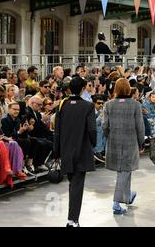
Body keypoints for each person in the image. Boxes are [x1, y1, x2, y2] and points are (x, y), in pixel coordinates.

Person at [54, 77, 97, 227]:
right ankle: (72, 220)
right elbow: (92, 129)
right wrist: (93, 143)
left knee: (73, 184)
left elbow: (57, 131)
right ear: (83, 88)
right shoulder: (88, 106)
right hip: (82, 149)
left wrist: (56, 151)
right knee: (76, 186)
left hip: (66, 150)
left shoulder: (62, 105)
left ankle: (72, 219)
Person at [103, 78, 144, 214]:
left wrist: (109, 135)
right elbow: (140, 126)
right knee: (125, 171)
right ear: (128, 89)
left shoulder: (108, 105)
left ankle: (127, 196)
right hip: (130, 142)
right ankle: (116, 202)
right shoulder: (135, 105)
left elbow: (104, 126)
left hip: (114, 142)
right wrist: (141, 142)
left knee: (124, 171)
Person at [0, 104, 26, 187]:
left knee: (13, 143)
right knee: (2, 144)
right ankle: (6, 169)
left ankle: (16, 170)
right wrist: (0, 139)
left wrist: (4, 138)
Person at [1, 102, 36, 175]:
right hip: (7, 141)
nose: (16, 111)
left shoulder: (18, 120)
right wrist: (19, 132)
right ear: (9, 109)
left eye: (18, 110)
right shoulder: (4, 120)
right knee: (25, 142)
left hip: (16, 139)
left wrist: (26, 129)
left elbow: (22, 135)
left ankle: (29, 164)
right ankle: (21, 165)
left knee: (33, 140)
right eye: (14, 109)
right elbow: (7, 136)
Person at [92, 95, 106, 163]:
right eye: (98, 103)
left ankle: (104, 150)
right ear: (94, 103)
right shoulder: (91, 111)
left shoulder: (101, 111)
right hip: (92, 129)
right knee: (99, 129)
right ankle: (98, 151)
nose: (101, 105)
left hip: (98, 128)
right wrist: (100, 116)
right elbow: (93, 124)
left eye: (102, 103)